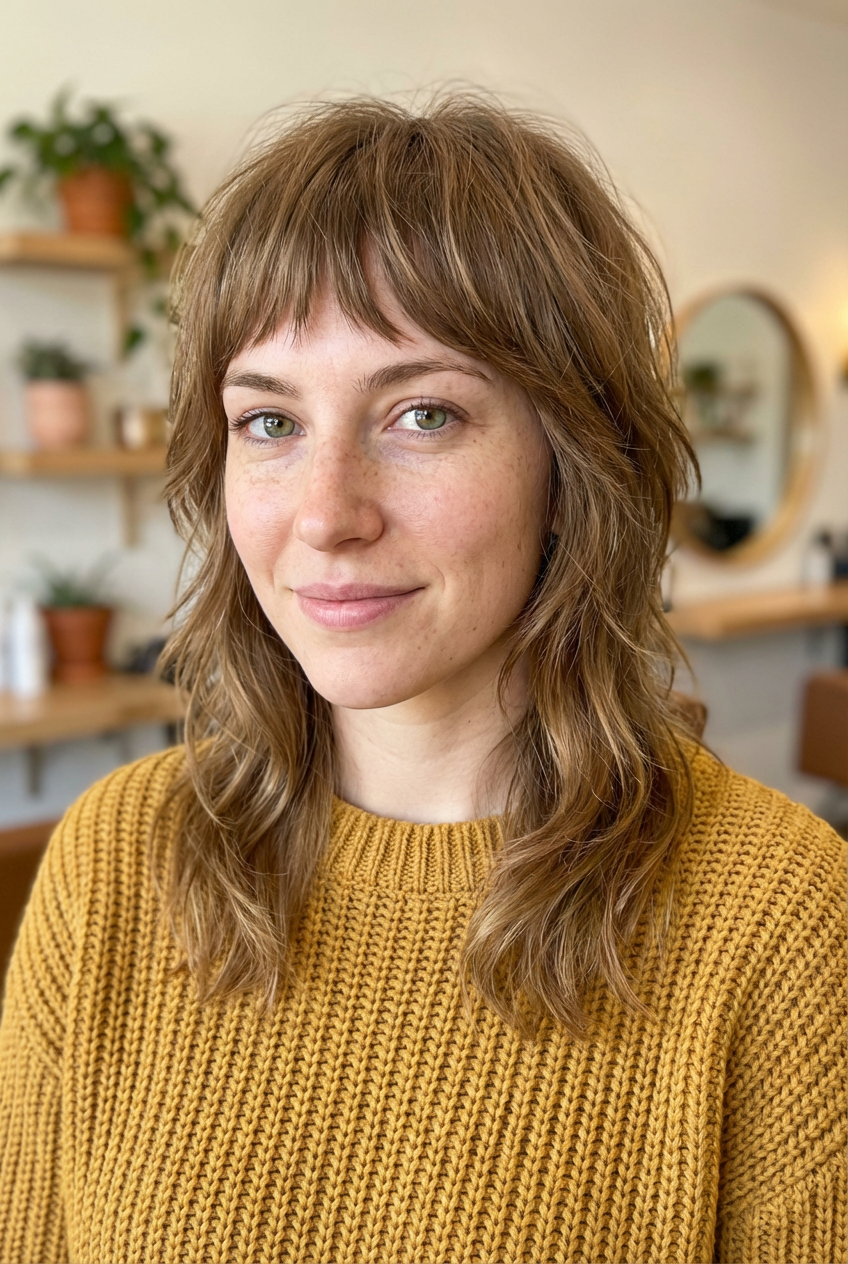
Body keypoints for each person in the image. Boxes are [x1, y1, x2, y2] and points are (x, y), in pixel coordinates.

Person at [0, 93, 844, 1264]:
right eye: (269, 423)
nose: (326, 515)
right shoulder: (112, 867)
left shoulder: (781, 923)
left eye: (422, 412)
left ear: (576, 458)